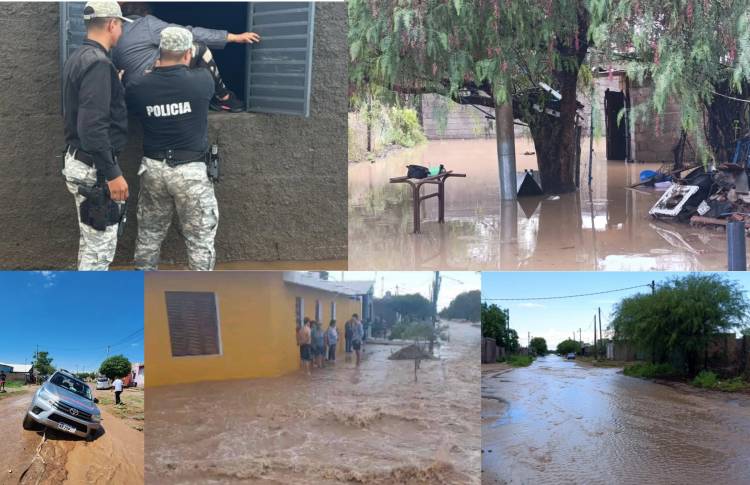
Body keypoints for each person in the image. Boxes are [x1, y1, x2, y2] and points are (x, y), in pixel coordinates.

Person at [126, 26, 219, 270]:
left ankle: (141, 290)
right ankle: (199, 296)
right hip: (191, 172)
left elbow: (130, 103)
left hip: (153, 169)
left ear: (160, 51)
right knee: (200, 240)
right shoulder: (202, 80)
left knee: (149, 235)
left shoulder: (138, 86)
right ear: (188, 53)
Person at [62, 1, 132, 270]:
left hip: (80, 161)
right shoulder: (99, 64)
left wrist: (113, 85)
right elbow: (92, 127)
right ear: (112, 24)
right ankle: (90, 310)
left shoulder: (80, 57)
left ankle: (81, 303)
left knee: (90, 245)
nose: (121, 33)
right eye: (121, 27)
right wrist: (113, 173)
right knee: (100, 251)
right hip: (95, 170)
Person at [115, 2, 260, 112]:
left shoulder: (114, 32)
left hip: (131, 97)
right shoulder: (146, 24)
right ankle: (223, 97)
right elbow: (187, 33)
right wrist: (233, 37)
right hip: (154, 89)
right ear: (144, 10)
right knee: (197, 48)